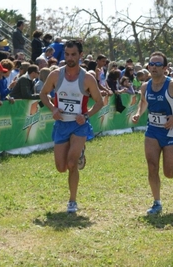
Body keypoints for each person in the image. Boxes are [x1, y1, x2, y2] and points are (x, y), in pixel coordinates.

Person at [39, 40, 104, 213]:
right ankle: (79, 153)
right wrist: (53, 108)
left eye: (73, 54)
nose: (69, 58)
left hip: (78, 125)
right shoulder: (56, 75)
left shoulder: (87, 78)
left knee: (71, 163)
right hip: (61, 124)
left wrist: (86, 115)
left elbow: (99, 102)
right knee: (61, 167)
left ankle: (72, 201)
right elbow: (43, 94)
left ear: (80, 55)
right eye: (67, 54)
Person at [132, 51, 173, 215]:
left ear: (165, 68)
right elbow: (144, 102)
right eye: (151, 64)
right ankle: (156, 203)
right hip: (152, 130)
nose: (153, 67)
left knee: (169, 173)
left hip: (170, 131)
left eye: (157, 64)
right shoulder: (145, 86)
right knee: (152, 166)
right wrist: (139, 113)